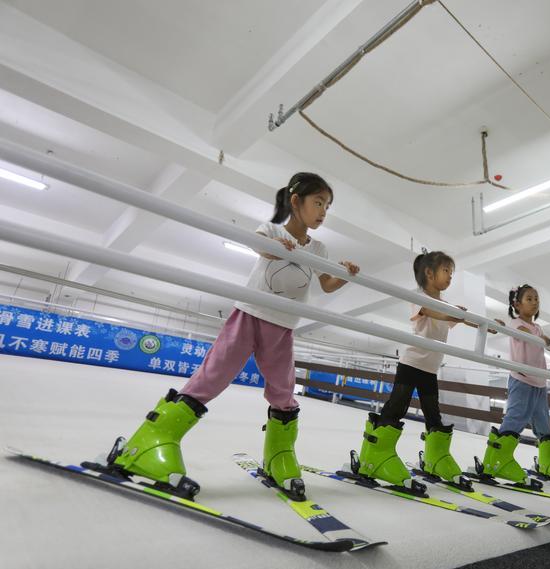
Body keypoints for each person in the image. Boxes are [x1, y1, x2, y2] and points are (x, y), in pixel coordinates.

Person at [103, 172, 359, 501]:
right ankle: (148, 443)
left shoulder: (319, 248)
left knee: (283, 391)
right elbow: (259, 245)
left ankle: (279, 455)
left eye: (327, 206)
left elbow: (326, 284)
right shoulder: (273, 231)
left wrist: (345, 275)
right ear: (296, 201)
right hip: (250, 314)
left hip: (283, 326)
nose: (323, 211)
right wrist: (275, 247)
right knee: (214, 376)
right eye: (318, 203)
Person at [353, 250, 486, 492]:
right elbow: (432, 311)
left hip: (430, 369)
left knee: (433, 414)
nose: (450, 276)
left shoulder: (445, 304)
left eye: (451, 272)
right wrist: (455, 313)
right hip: (411, 363)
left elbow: (460, 317)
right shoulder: (418, 297)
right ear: (429, 273)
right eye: (446, 271)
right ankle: (371, 457)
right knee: (397, 407)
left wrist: (484, 325)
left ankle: (437, 459)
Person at [478, 284, 550, 487]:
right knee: (515, 417)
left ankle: (548, 461)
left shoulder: (538, 328)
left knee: (543, 422)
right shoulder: (516, 323)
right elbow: (523, 333)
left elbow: (545, 342)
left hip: (539, 382)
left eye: (536, 298)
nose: (535, 302)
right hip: (521, 379)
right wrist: (542, 339)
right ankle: (495, 460)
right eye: (529, 298)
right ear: (517, 305)